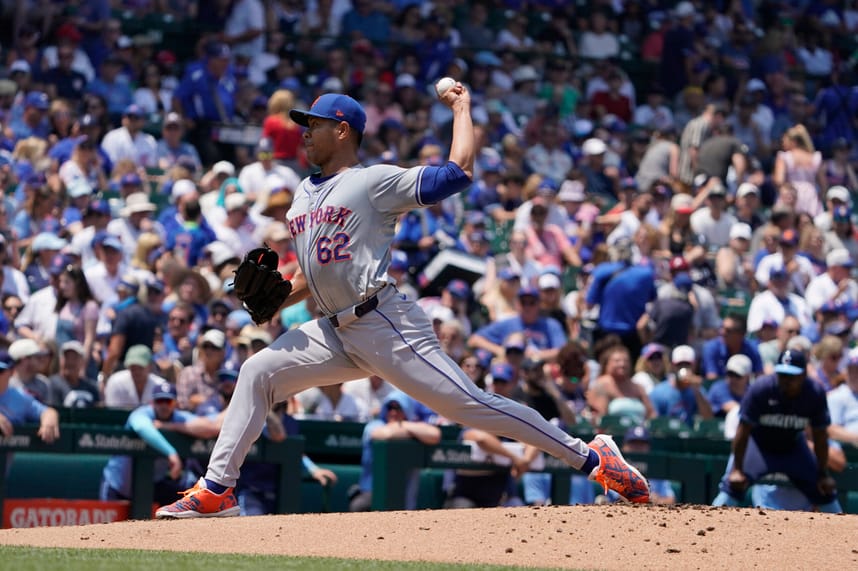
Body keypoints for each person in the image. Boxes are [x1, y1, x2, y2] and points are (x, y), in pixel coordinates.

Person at [155, 88, 649, 518]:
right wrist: (282, 299)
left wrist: (461, 108)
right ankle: (218, 489)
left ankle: (591, 457)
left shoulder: (372, 182)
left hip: (383, 322)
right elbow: (314, 271)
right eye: (304, 124)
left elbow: (457, 174)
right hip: (333, 331)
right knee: (257, 371)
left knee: (472, 406)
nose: (304, 132)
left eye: (315, 125)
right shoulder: (302, 195)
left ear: (343, 131)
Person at [711, 350, 841, 513]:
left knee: (823, 490)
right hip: (759, 448)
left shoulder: (814, 393)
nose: (786, 380)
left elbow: (820, 436)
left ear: (803, 375)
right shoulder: (762, 388)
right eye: (782, 374)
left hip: (793, 448)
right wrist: (737, 469)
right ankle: (706, 527)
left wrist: (823, 473)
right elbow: (743, 431)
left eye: (792, 376)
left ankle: (849, 536)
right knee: (732, 487)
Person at [99, 382, 198, 507]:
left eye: (168, 401)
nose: (163, 406)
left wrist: (171, 426)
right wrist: (171, 453)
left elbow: (208, 425)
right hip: (117, 487)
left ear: (175, 404)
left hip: (149, 489)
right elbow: (141, 427)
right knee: (108, 526)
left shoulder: (179, 418)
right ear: (152, 402)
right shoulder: (142, 413)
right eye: (159, 401)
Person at [0, 349, 60, 443]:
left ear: (11, 372)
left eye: (0, 371)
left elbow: (47, 412)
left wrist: (49, 419)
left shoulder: (19, 397)